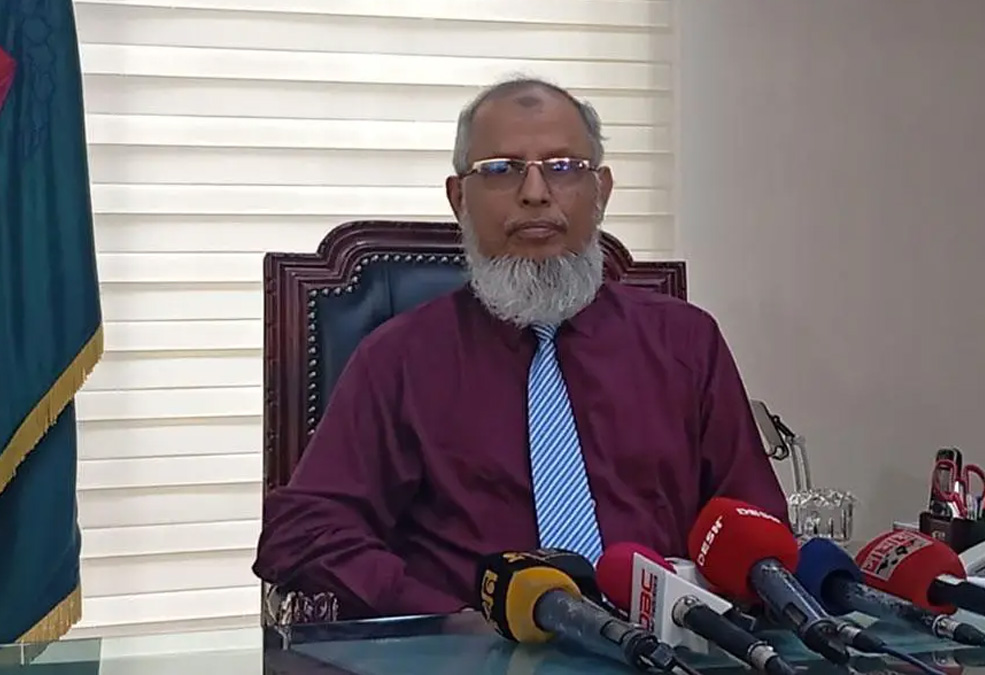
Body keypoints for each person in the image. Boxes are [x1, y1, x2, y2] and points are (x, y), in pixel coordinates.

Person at [252, 76, 788, 618]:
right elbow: (305, 533)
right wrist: (448, 622)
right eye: (501, 169)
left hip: (663, 644)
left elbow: (753, 526)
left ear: (601, 191)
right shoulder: (399, 358)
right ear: (459, 198)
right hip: (474, 647)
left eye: (563, 167)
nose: (535, 193)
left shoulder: (686, 342)